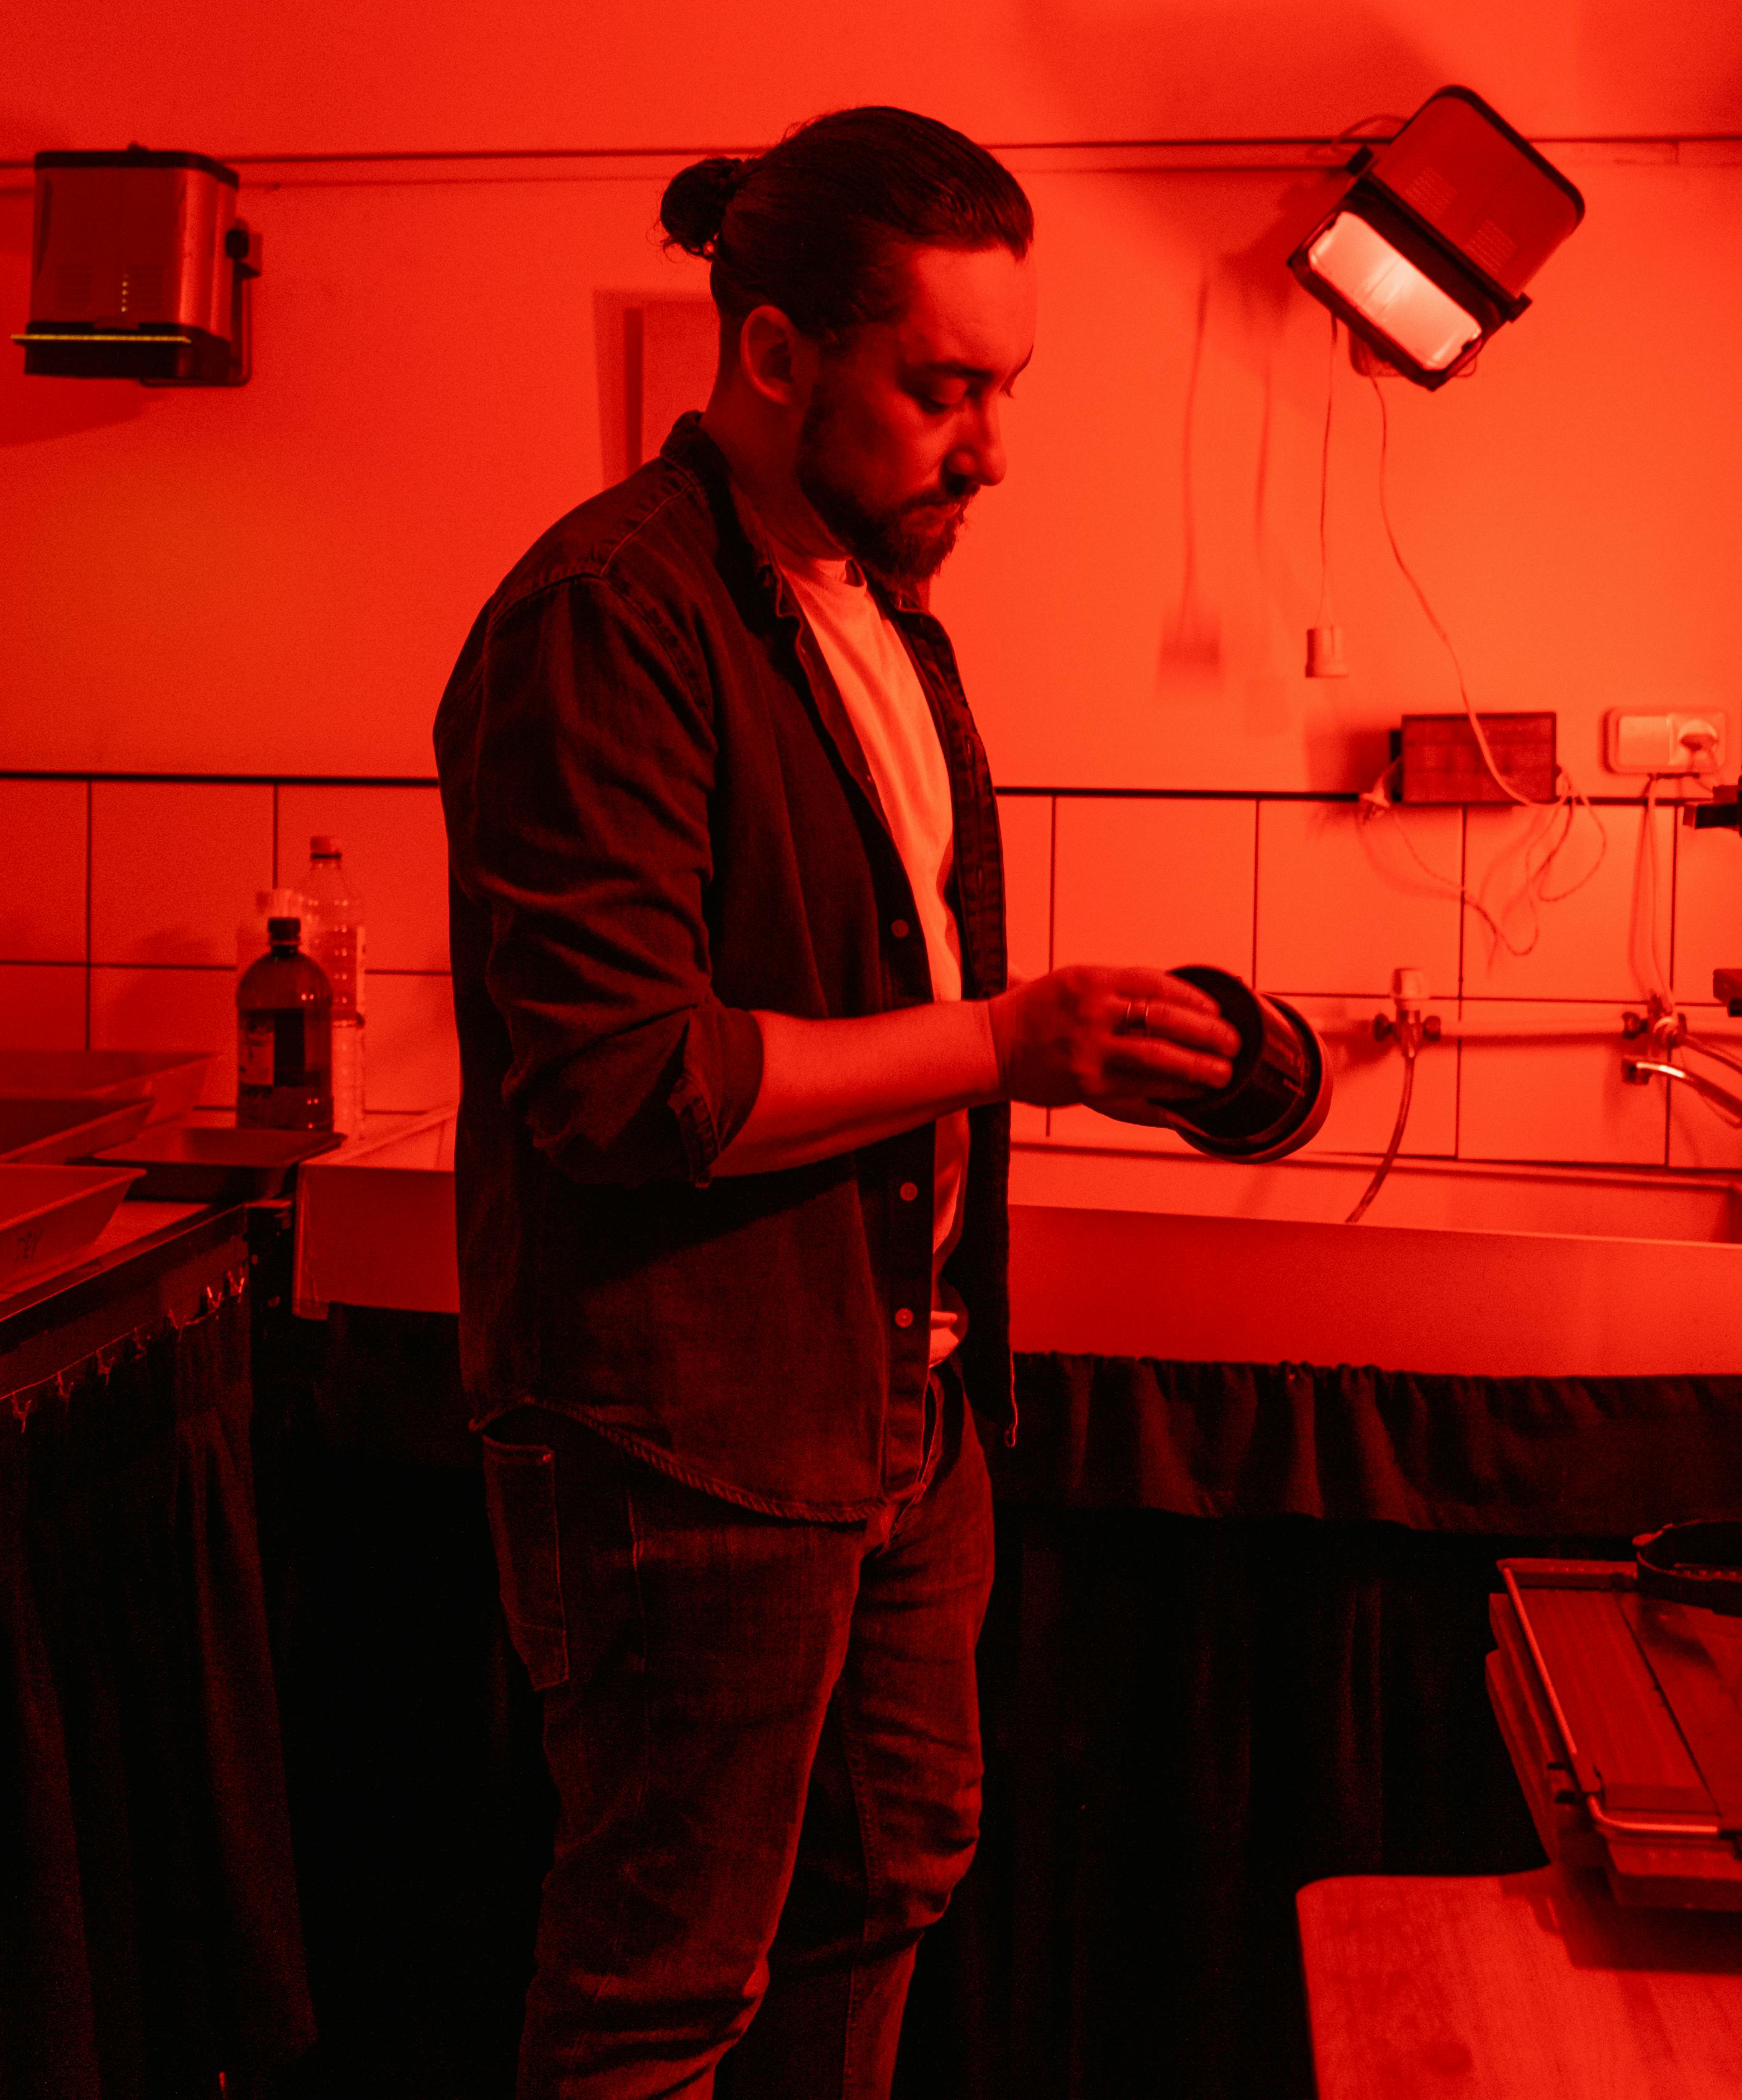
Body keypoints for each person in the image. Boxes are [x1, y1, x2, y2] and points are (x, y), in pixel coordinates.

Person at [433, 106, 1243, 2098]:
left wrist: (1104, 1045)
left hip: (904, 1408)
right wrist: (1006, 1040)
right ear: (777, 355)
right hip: (686, 1439)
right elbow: (626, 1081)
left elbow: (887, 1008)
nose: (988, 447)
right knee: (659, 1994)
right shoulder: (608, 618)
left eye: (1003, 388)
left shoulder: (885, 624)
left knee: (888, 1885)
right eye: (941, 388)